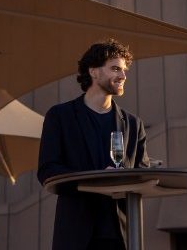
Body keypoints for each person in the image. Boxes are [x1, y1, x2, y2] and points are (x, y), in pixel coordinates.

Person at [37, 39, 150, 250]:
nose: (123, 76)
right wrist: (97, 180)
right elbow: (47, 171)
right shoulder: (60, 116)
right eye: (115, 68)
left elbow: (142, 174)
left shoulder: (134, 125)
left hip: (121, 238)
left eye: (124, 70)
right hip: (75, 237)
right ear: (94, 72)